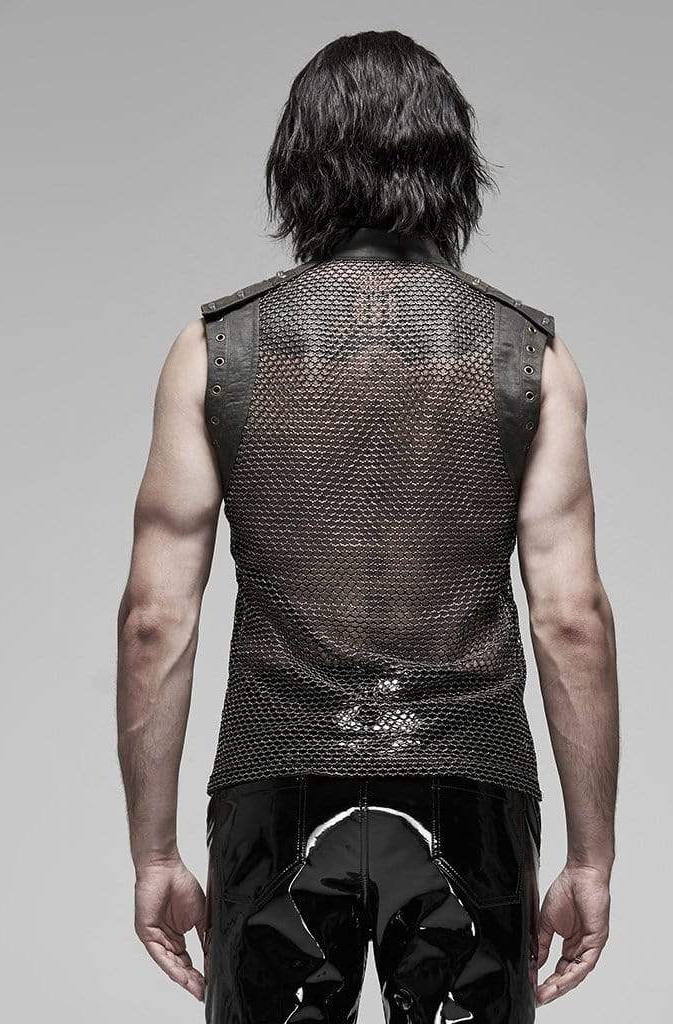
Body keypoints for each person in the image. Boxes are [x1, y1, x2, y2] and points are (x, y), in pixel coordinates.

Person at [116, 29, 618, 1024]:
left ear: (297, 169)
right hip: (470, 778)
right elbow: (571, 618)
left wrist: (155, 853)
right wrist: (592, 858)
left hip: (276, 781)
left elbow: (153, 620)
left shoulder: (215, 353)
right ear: (452, 170)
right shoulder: (530, 360)